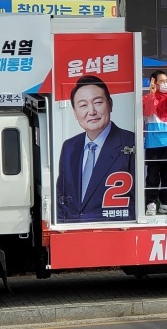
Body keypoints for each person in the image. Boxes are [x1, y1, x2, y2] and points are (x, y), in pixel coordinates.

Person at [56, 75, 136, 223]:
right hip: (73, 232)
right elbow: (61, 198)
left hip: (113, 230)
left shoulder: (131, 142)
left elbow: (136, 200)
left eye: (98, 102)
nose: (91, 111)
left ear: (110, 104)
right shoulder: (69, 146)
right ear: (74, 112)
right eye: (82, 105)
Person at [143, 70, 167, 216]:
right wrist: (151, 94)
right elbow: (148, 112)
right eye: (162, 81)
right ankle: (151, 203)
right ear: (153, 82)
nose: (165, 84)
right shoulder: (147, 98)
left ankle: (166, 204)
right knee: (152, 177)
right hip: (154, 144)